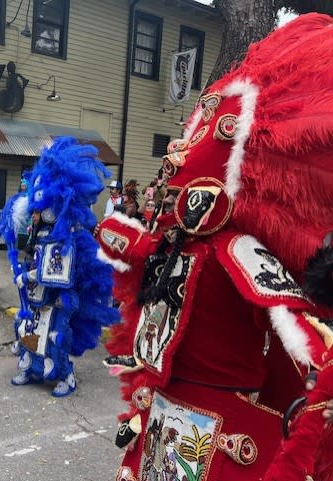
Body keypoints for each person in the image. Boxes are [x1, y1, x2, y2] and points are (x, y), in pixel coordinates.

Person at [96, 14, 333, 481]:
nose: (172, 165)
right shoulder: (170, 245)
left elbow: (304, 339)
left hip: (219, 442)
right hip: (163, 422)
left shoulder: (236, 251)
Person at [11, 137, 119, 397]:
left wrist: (28, 276)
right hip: (37, 295)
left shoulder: (70, 235)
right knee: (27, 329)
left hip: (58, 297)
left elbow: (56, 271)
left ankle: (66, 375)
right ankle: (30, 368)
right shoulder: (41, 231)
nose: (38, 212)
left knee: (55, 337)